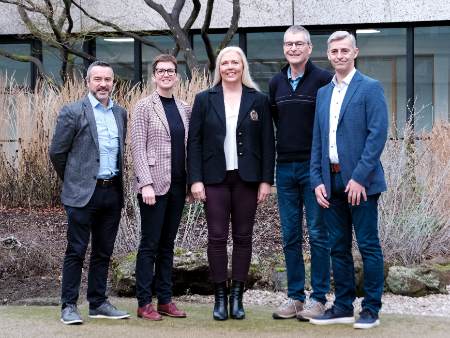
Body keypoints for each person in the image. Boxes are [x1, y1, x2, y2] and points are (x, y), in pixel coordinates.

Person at [187, 46, 275, 321]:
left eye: (235, 62)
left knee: (243, 237)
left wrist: (266, 181)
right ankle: (220, 298)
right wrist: (196, 180)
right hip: (214, 179)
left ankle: (237, 296)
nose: (230, 67)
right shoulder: (204, 99)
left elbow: (267, 144)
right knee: (216, 237)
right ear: (219, 68)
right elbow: (195, 142)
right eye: (225, 63)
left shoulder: (258, 99)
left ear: (242, 66)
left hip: (247, 179)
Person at [309, 31, 388, 329]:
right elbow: (318, 139)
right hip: (330, 182)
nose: (340, 55)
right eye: (334, 51)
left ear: (355, 52)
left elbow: (377, 136)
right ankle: (342, 306)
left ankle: (371, 309)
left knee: (368, 245)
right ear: (328, 55)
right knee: (337, 247)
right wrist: (317, 179)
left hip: (361, 184)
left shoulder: (370, 88)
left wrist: (358, 179)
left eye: (345, 50)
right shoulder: (323, 93)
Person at [49, 61, 130, 325]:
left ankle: (97, 303)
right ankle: (69, 306)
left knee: (103, 252)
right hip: (82, 195)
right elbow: (57, 153)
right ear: (88, 82)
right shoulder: (73, 112)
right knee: (76, 250)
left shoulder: (120, 113)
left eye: (108, 79)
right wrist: (75, 180)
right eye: (98, 79)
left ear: (113, 82)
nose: (103, 84)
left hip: (112, 192)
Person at [269, 25, 332, 321]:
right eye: (288, 44)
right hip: (285, 169)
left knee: (318, 234)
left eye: (298, 44)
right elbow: (276, 126)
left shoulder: (324, 80)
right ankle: (295, 297)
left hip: (314, 170)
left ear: (309, 48)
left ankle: (318, 298)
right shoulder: (275, 83)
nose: (293, 48)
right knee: (290, 235)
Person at [130, 54, 191, 321]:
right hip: (153, 187)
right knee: (149, 245)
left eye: (170, 71)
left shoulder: (185, 107)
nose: (166, 74)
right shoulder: (144, 107)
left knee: (168, 245)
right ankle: (145, 303)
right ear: (154, 76)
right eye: (161, 71)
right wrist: (145, 183)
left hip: (178, 185)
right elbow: (137, 147)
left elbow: (190, 146)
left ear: (176, 76)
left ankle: (165, 300)